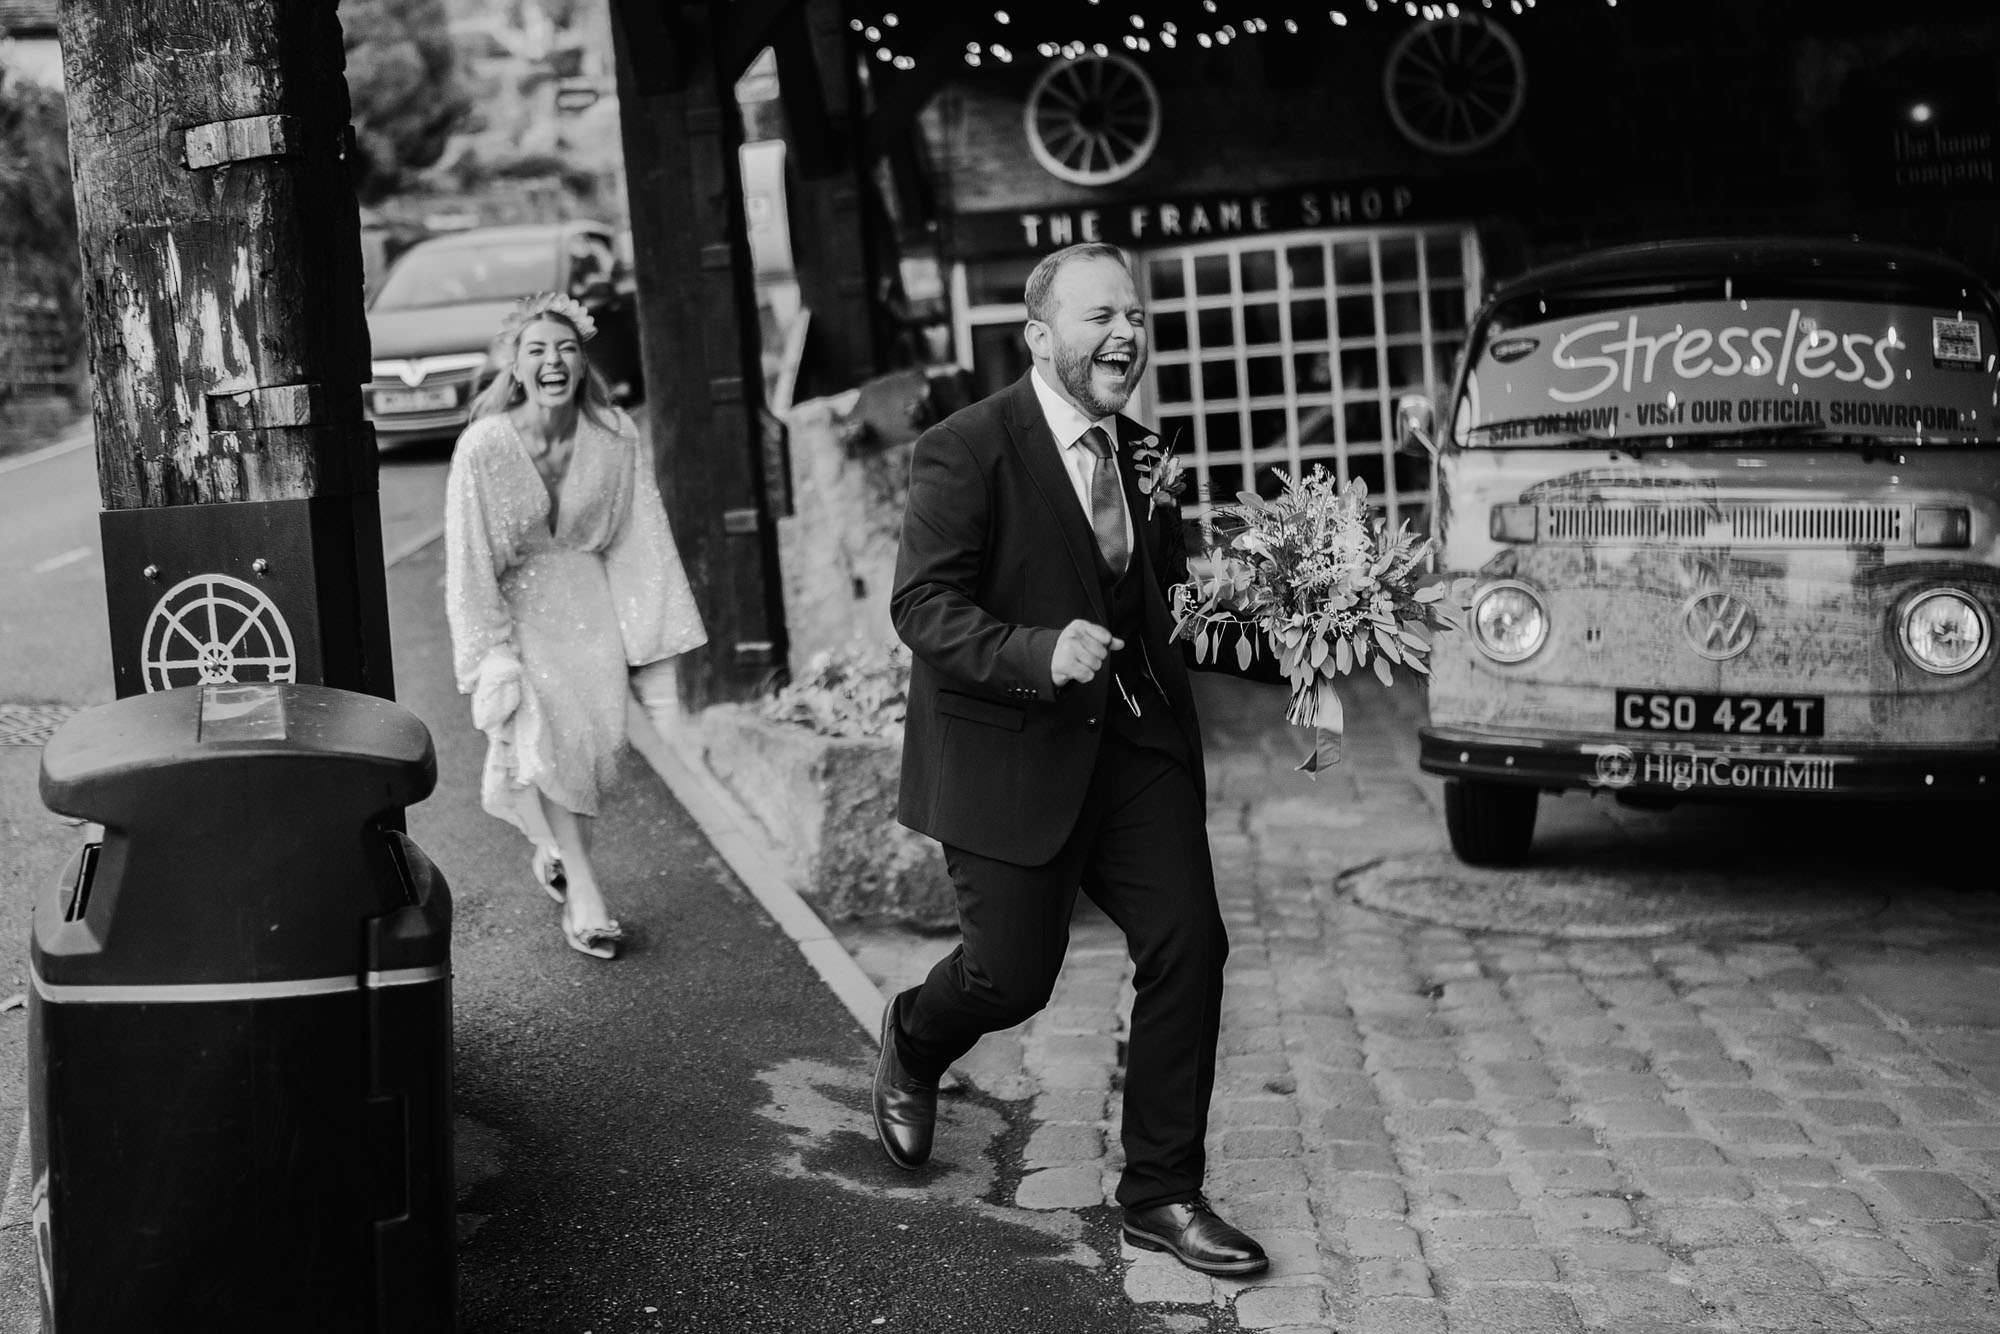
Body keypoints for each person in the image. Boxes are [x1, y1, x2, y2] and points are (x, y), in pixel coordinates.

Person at [877, 242, 1275, 1277]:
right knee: (1010, 978)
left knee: (1190, 939)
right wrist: (1034, 650)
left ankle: (1160, 1193)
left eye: (1135, 315)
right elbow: (921, 604)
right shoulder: (963, 448)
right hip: (1011, 753)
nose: (1126, 334)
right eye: (1101, 316)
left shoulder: (1146, 456)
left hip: (1132, 742)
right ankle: (916, 1038)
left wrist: (1302, 627)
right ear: (1040, 334)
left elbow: (1170, 618)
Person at [444, 292, 706, 960]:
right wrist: (490, 652)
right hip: (520, 610)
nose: (552, 360)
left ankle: (553, 848)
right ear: (514, 364)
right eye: (536, 350)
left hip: (590, 613)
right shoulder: (483, 447)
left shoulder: (615, 437)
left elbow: (640, 536)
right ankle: (585, 895)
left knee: (587, 758)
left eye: (564, 348)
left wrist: (648, 637)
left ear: (580, 360)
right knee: (544, 738)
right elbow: (469, 558)